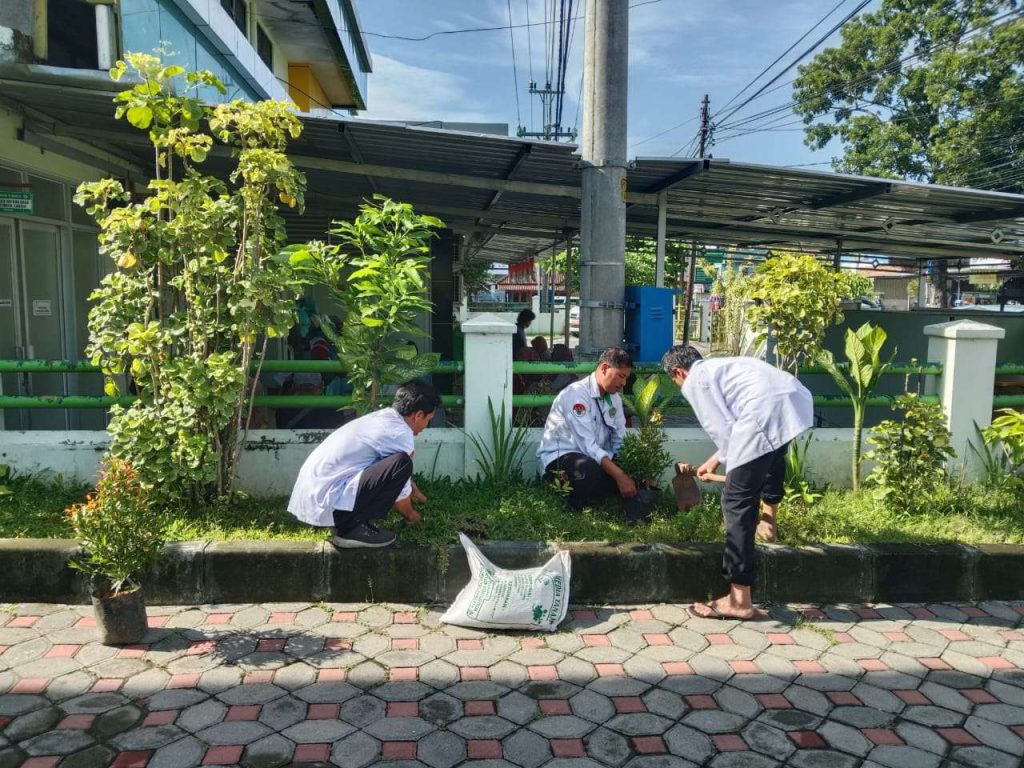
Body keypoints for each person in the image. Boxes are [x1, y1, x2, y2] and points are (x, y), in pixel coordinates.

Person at [661, 345, 813, 620]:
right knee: (773, 458)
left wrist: (730, 466)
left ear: (677, 371)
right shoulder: (721, 366)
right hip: (792, 398)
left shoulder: (695, 380)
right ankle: (769, 519)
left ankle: (739, 599)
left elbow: (722, 428)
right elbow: (737, 430)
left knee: (736, 501)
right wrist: (716, 460)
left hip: (762, 412)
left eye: (674, 379)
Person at [287, 380, 440, 549]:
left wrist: (412, 488)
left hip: (313, 500)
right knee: (402, 463)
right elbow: (398, 480)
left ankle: (348, 522)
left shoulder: (384, 418)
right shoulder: (401, 433)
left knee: (400, 463)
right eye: (428, 419)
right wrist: (413, 516)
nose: (427, 426)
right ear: (418, 415)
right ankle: (352, 529)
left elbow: (382, 469)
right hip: (326, 503)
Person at [537, 347, 638, 511]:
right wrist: (620, 475)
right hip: (562, 459)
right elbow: (588, 447)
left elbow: (620, 439)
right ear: (604, 368)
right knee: (588, 470)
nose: (623, 383)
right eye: (621, 376)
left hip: (594, 459)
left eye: (626, 378)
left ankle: (598, 496)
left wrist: (631, 469)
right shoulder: (576, 394)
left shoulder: (615, 399)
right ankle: (573, 505)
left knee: (634, 473)